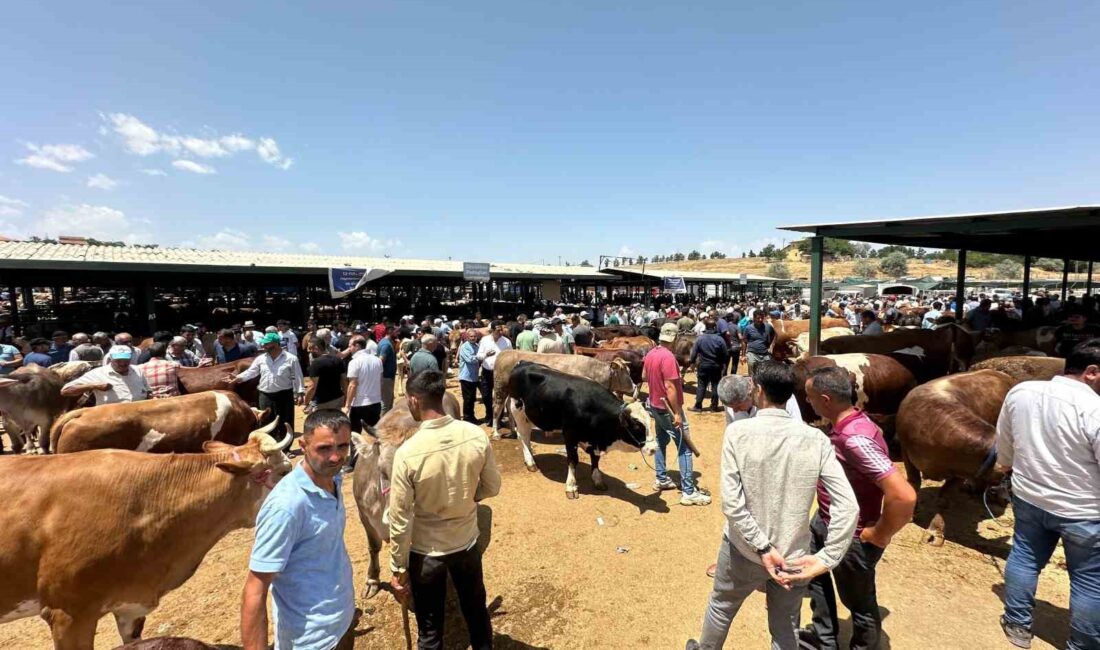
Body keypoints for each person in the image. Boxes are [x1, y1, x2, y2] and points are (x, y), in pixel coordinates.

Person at [686, 362, 857, 650]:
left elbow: (732, 503)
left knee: (721, 606)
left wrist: (763, 547)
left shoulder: (738, 434)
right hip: (794, 555)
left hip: (743, 550)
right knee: (785, 627)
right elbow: (848, 506)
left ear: (758, 390)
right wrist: (827, 558)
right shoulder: (816, 439)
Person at [799, 365, 918, 650]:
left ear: (826, 399)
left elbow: (904, 496)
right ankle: (823, 636)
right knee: (815, 576)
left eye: (811, 397)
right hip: (828, 518)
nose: (808, 403)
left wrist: (878, 533)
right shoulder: (853, 425)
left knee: (859, 600)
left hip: (852, 533)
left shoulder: (855, 439)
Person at [994, 339, 1100, 650]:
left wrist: (1007, 465)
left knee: (1025, 558)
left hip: (1029, 496)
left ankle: (1017, 624)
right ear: (1092, 372)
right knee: (1089, 581)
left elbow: (1005, 440)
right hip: (1084, 509)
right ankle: (1082, 644)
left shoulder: (1022, 391)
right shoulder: (1095, 410)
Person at [388, 370, 501, 650]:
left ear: (414, 401)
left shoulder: (407, 452)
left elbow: (400, 520)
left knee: (430, 629)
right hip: (467, 543)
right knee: (476, 611)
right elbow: (492, 487)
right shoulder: (475, 434)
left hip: (427, 553)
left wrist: (398, 566)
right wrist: (467, 497)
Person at [242, 409, 355, 650]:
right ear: (302, 445)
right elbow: (255, 588)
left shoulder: (333, 478)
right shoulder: (286, 508)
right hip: (311, 640)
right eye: (324, 448)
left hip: (342, 622)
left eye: (343, 446)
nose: (336, 457)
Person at [645, 323, 710, 506]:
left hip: (655, 405)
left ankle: (661, 478)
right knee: (684, 447)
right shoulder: (668, 358)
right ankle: (689, 491)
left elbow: (644, 375)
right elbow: (670, 387)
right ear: (674, 339)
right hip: (668, 408)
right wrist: (677, 413)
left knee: (661, 440)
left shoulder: (651, 354)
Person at [227, 332, 305, 434]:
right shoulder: (261, 359)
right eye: (263, 343)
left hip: (284, 395)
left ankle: (286, 448)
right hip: (265, 395)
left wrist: (300, 393)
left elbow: (298, 375)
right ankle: (270, 444)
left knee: (285, 421)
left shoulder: (291, 359)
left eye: (266, 343)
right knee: (266, 421)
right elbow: (252, 372)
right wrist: (238, 378)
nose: (263, 346)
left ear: (275, 343)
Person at [61, 345, 151, 404]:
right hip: (111, 419)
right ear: (110, 358)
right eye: (118, 361)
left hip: (139, 418)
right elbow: (65, 391)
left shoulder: (138, 370)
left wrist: (155, 396)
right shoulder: (97, 374)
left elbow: (148, 393)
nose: (123, 363)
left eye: (126, 360)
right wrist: (94, 385)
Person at [478, 321, 512, 435]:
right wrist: (486, 355)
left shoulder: (506, 341)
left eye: (501, 329)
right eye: (498, 329)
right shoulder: (485, 340)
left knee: (501, 397)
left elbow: (511, 356)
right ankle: (489, 416)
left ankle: (499, 418)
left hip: (502, 374)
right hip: (487, 372)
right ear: (492, 330)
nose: (501, 332)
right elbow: (479, 355)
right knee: (487, 396)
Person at [344, 337, 384, 433]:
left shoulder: (354, 362)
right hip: (375, 402)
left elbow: (352, 385)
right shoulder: (377, 360)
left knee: (355, 433)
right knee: (374, 432)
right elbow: (381, 381)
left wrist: (347, 405)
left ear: (357, 346)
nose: (349, 349)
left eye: (350, 346)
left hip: (360, 404)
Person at [690, 319, 728, 413]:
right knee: (715, 386)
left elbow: (693, 353)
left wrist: (692, 362)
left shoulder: (700, 339)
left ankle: (698, 406)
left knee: (701, 385)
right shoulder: (720, 339)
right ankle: (714, 407)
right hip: (716, 366)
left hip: (703, 365)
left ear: (706, 327)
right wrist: (722, 363)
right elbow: (725, 354)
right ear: (715, 327)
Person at [305, 339, 345, 412]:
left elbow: (312, 387)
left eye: (310, 348)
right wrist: (346, 397)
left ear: (316, 348)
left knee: (319, 422)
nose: (309, 350)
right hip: (338, 398)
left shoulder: (316, 363)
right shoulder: (338, 360)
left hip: (322, 402)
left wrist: (306, 402)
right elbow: (344, 381)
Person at [740, 310, 776, 376]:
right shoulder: (748, 328)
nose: (760, 320)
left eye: (762, 318)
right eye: (758, 318)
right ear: (754, 318)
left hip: (765, 354)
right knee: (752, 374)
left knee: (766, 374)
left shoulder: (768, 327)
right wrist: (743, 355)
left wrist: (771, 346)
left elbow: (774, 335)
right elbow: (744, 341)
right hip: (752, 354)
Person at [457, 329, 481, 424]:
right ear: (467, 337)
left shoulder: (477, 346)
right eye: (471, 336)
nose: (473, 338)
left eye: (474, 336)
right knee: (468, 399)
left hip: (474, 376)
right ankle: (467, 418)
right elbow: (470, 359)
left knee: (472, 398)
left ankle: (471, 417)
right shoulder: (465, 347)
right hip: (466, 377)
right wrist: (483, 356)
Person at [377, 326, 398, 415]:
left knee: (389, 402)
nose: (397, 333)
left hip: (388, 377)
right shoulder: (386, 345)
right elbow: (380, 361)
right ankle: (382, 427)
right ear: (390, 331)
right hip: (386, 378)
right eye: (396, 331)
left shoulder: (388, 343)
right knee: (385, 404)